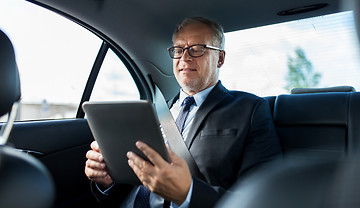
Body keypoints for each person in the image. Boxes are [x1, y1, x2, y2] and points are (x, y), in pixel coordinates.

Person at [85, 17, 282, 208]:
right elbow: (133, 182)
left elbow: (265, 197)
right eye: (178, 50)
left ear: (220, 58)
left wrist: (188, 193)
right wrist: (107, 183)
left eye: (197, 49)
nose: (184, 58)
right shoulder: (151, 113)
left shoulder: (250, 109)